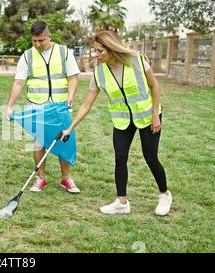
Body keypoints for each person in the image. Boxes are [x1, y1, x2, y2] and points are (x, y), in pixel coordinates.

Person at [61, 31, 172, 216]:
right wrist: (69, 129)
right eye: (95, 51)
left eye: (100, 51)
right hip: (122, 121)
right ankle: (122, 202)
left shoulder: (136, 60)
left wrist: (155, 115)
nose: (97, 55)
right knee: (120, 158)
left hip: (147, 117)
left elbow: (155, 86)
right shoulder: (99, 73)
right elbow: (86, 105)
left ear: (111, 49)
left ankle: (165, 194)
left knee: (151, 158)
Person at [5, 21, 81, 193]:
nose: (38, 44)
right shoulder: (27, 56)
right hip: (36, 106)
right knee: (39, 142)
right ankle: (41, 178)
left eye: (41, 40)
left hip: (60, 106)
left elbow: (74, 78)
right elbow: (18, 83)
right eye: (34, 41)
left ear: (49, 37)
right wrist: (9, 106)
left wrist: (70, 96)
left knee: (63, 140)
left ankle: (66, 178)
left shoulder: (64, 52)